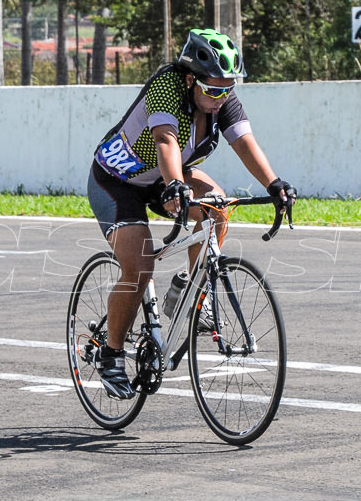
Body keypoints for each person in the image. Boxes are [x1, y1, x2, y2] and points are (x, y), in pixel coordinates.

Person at [86, 28, 296, 399]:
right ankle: (112, 354)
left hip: (169, 179)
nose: (220, 97)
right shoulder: (166, 87)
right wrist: (173, 185)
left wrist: (274, 184)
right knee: (140, 268)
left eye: (227, 89)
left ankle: (188, 285)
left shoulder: (222, 99)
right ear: (189, 78)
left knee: (217, 206)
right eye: (213, 90)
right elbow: (166, 140)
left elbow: (246, 143)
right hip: (118, 182)